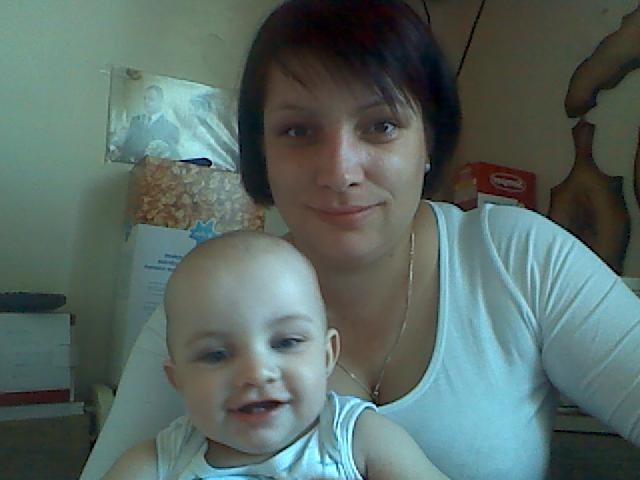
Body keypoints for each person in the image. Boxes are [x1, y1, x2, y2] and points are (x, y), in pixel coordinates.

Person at [81, 1, 640, 479]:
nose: (341, 171)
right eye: (299, 131)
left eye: (381, 126)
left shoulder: (521, 259)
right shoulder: (203, 308)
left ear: (429, 140)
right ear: (262, 152)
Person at [102, 231, 446, 479]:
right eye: (217, 355)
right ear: (178, 381)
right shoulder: (159, 464)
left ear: (327, 356)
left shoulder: (355, 439)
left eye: (286, 343)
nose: (256, 372)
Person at [116, 85, 180, 163]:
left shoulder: (171, 129)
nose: (146, 102)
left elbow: (172, 159)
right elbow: (126, 147)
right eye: (145, 98)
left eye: (151, 99)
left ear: (161, 101)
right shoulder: (135, 120)